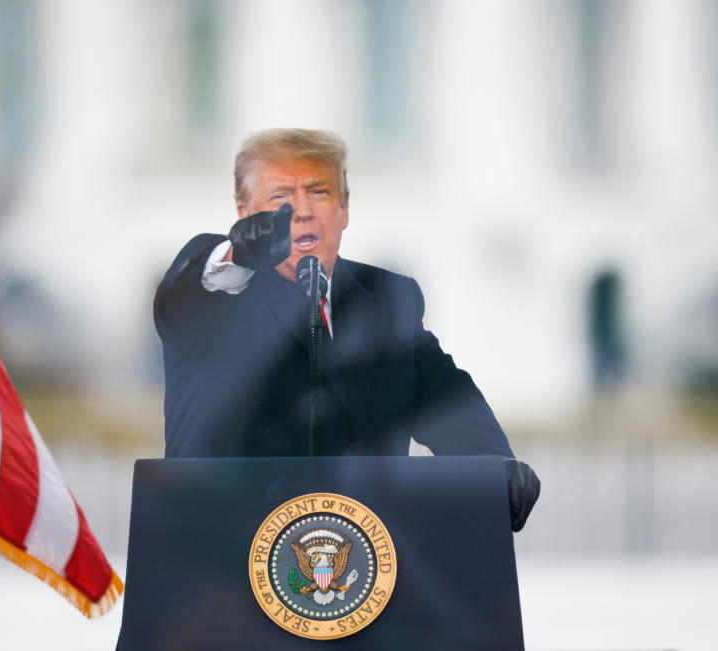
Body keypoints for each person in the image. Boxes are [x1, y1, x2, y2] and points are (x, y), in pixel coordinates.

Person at [154, 128, 539, 531]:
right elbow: (193, 294)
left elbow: (445, 399)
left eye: (318, 192)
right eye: (280, 198)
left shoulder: (389, 299)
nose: (301, 211)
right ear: (244, 213)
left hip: (363, 570)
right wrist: (239, 254)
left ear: (344, 210)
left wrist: (494, 468)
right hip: (217, 561)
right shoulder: (217, 285)